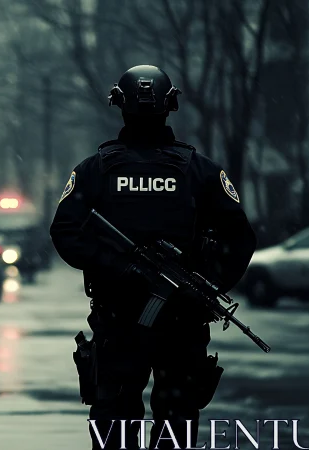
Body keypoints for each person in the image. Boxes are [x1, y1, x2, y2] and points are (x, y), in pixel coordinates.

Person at [50, 65, 257, 449]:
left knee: (115, 420)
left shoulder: (95, 170)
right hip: (179, 324)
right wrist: (207, 286)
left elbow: (65, 232)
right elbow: (240, 239)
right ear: (170, 105)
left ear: (118, 104)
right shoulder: (201, 171)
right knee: (175, 422)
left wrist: (114, 268)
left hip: (121, 319)